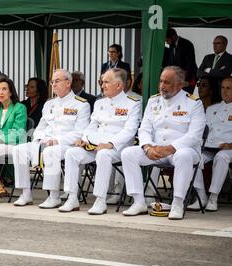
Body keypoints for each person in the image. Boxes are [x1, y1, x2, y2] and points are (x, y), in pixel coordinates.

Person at [121, 66, 206, 220]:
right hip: (156, 151)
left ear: (180, 84)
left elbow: (195, 135)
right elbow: (144, 129)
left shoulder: (193, 103)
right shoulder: (153, 100)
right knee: (128, 153)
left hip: (182, 151)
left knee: (183, 155)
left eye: (167, 82)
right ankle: (139, 202)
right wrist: (147, 147)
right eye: (161, 81)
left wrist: (170, 148)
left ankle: (178, 203)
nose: (162, 86)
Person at [59, 68, 142, 213]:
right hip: (95, 146)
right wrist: (84, 139)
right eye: (102, 82)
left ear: (119, 85)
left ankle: (100, 200)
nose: (102, 85)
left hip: (117, 149)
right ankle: (72, 198)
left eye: (106, 82)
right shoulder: (99, 103)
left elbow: (130, 130)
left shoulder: (133, 103)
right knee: (72, 152)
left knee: (104, 154)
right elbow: (91, 126)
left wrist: (110, 144)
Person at [11, 69, 91, 208]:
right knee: (19, 150)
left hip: (67, 145)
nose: (53, 84)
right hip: (45, 142)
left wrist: (57, 140)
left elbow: (80, 132)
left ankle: (53, 196)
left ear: (67, 83)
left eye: (57, 81)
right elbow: (40, 127)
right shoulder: (49, 104)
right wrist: (40, 139)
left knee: (50, 151)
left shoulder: (81, 104)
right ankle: (25, 193)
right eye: (52, 81)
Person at [188, 76, 232, 212]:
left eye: (228, 88)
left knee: (222, 157)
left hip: (229, 147)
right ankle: (201, 197)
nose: (224, 91)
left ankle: (213, 197)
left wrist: (230, 145)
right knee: (191, 158)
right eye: (222, 88)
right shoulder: (212, 108)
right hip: (210, 146)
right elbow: (204, 131)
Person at [162, 28, 197, 94]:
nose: (167, 42)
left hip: (187, 80)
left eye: (168, 40)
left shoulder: (186, 44)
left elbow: (190, 64)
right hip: (177, 80)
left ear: (173, 36)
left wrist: (186, 80)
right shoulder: (171, 46)